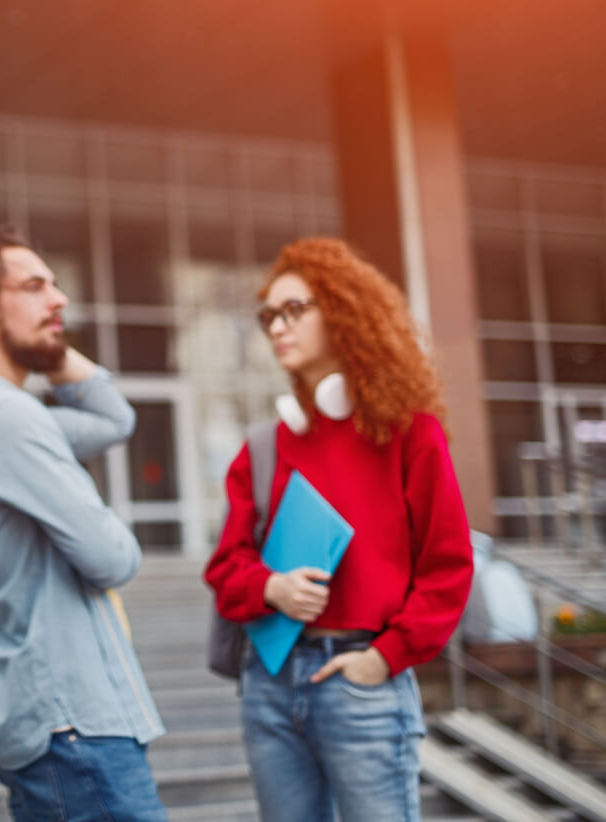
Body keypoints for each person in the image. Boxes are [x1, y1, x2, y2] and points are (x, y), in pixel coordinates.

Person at [205, 237, 474, 821]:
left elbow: (448, 566)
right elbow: (225, 568)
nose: (278, 326)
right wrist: (270, 588)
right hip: (270, 685)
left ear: (345, 312)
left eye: (295, 309)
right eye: (269, 315)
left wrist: (386, 657)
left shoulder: (410, 433)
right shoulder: (264, 446)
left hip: (362, 683)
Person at [0, 226, 167, 822]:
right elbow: (114, 558)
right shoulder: (5, 418)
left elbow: (114, 418)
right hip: (73, 718)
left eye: (56, 287)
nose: (59, 300)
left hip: (53, 719)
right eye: (35, 287)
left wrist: (49, 343)